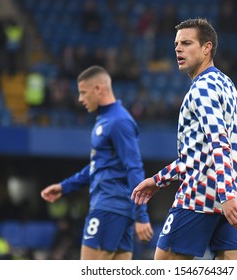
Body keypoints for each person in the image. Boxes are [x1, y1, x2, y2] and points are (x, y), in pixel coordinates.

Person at [132, 18, 237, 260]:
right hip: (230, 197)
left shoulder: (202, 89)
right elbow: (200, 154)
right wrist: (159, 180)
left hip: (200, 196)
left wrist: (225, 195)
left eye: (186, 43)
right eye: (176, 44)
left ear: (207, 48)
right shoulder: (226, 84)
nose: (178, 49)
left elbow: (219, 143)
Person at [41, 65, 153, 260]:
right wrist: (64, 187)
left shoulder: (118, 121)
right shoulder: (106, 119)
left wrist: (141, 214)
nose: (80, 99)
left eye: (83, 92)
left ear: (98, 89)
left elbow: (134, 167)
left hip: (108, 208)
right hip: (118, 211)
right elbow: (97, 167)